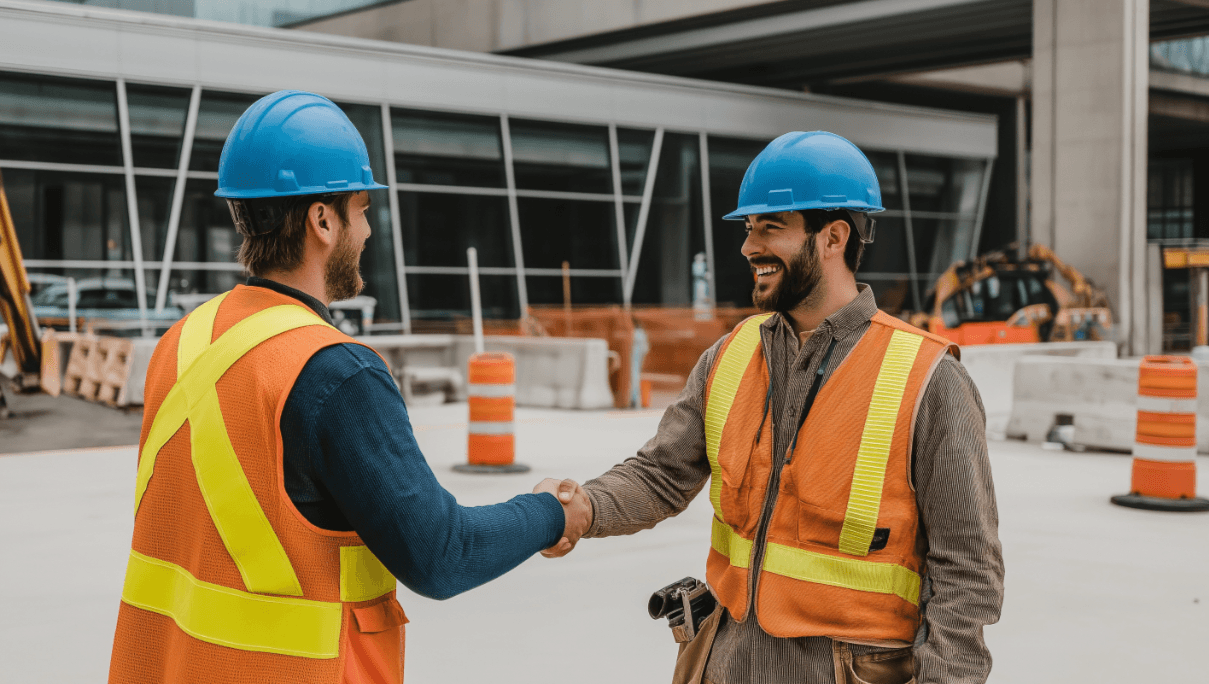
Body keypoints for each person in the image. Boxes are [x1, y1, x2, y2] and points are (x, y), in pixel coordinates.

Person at [107, 90, 591, 684]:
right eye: (362, 210)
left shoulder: (180, 343)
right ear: (323, 221)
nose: (367, 231)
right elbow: (441, 555)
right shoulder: (335, 372)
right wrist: (549, 511)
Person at [549, 132, 1004, 684]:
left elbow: (967, 575)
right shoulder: (731, 354)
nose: (748, 247)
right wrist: (580, 509)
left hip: (848, 669)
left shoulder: (930, 379)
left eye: (771, 227)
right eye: (748, 228)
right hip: (726, 658)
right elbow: (662, 476)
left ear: (834, 237)